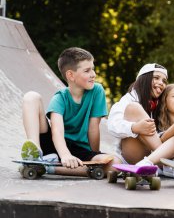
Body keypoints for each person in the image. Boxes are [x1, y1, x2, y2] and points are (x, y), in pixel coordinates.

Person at [21, 47, 120, 176]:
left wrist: (95, 155)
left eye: (93, 69)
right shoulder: (60, 98)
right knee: (31, 96)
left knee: (116, 164)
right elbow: (57, 131)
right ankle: (34, 156)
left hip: (80, 150)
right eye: (87, 70)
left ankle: (48, 168)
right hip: (53, 146)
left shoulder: (97, 91)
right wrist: (65, 154)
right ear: (71, 75)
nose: (93, 74)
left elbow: (93, 128)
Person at [107, 63, 174, 179]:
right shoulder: (128, 100)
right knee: (134, 108)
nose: (161, 83)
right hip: (132, 152)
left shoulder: (158, 105)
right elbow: (112, 125)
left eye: (164, 80)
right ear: (144, 79)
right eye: (156, 78)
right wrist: (134, 127)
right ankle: (168, 164)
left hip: (151, 155)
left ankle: (163, 164)